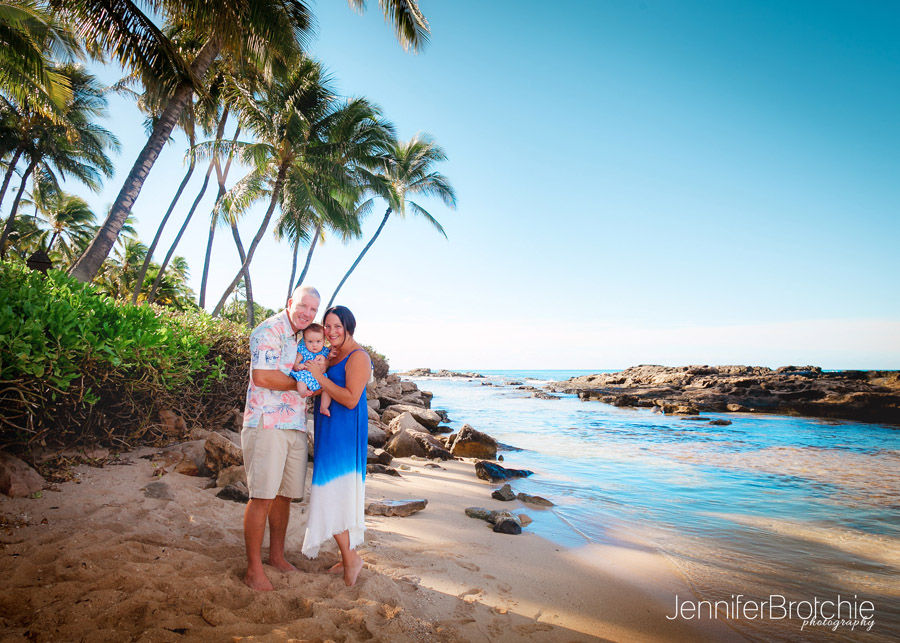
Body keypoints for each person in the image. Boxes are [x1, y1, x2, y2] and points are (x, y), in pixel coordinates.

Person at [240, 285, 320, 591]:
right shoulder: (269, 330)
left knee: (285, 495)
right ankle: (253, 569)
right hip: (267, 423)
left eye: (313, 310)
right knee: (262, 495)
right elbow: (262, 376)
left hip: (295, 424)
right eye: (303, 307)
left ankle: (276, 556)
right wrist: (302, 385)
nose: (307, 314)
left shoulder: (303, 337)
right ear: (290, 303)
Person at [300, 305, 371, 587]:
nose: (330, 332)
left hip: (344, 432)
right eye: (327, 327)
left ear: (349, 327)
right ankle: (347, 556)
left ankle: (352, 558)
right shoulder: (334, 354)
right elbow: (322, 388)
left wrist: (320, 377)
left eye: (337, 327)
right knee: (336, 493)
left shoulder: (359, 357)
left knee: (332, 493)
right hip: (329, 429)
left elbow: (352, 399)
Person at [289, 323, 333, 416]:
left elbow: (328, 363)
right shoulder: (303, 350)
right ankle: (303, 392)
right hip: (306, 373)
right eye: (310, 342)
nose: (314, 345)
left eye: (318, 341)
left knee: (327, 388)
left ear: (324, 341)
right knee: (301, 380)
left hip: (320, 377)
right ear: (304, 341)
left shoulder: (325, 351)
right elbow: (295, 364)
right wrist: (298, 366)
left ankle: (324, 407)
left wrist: (329, 358)